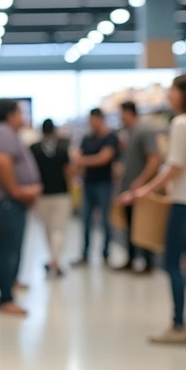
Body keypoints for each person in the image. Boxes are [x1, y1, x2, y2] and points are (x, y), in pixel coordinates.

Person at [122, 75, 186, 344]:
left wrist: (146, 189)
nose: (168, 97)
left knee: (173, 263)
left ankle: (177, 326)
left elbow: (175, 166)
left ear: (184, 94)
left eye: (172, 92)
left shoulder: (182, 123)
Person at [0, 99, 42, 316]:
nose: (22, 117)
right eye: (20, 113)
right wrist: (17, 191)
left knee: (10, 247)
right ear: (10, 115)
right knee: (9, 249)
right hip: (4, 201)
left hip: (3, 201)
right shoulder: (3, 133)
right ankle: (6, 298)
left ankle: (10, 282)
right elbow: (1, 162)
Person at [117, 101, 161, 274]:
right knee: (130, 225)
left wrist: (141, 182)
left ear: (129, 113)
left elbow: (154, 158)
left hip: (140, 190)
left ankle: (148, 263)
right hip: (129, 189)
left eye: (122, 113)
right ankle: (131, 258)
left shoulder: (144, 130)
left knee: (143, 224)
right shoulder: (129, 132)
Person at [72, 108, 119, 267]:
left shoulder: (110, 137)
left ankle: (105, 254)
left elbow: (104, 158)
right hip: (88, 183)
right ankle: (85, 254)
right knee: (85, 220)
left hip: (104, 183)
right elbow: (78, 156)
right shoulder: (87, 137)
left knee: (105, 220)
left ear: (100, 119)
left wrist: (83, 161)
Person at [30, 119, 71, 277]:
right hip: (61, 193)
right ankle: (55, 260)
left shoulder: (34, 148)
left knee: (48, 229)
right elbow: (68, 171)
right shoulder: (62, 148)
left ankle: (53, 260)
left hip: (42, 194)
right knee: (58, 229)